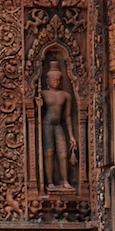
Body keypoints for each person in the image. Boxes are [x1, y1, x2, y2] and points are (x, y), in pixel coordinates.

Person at [36, 61, 77, 191]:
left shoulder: (65, 95)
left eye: (58, 80)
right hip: (47, 125)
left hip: (58, 125)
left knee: (63, 153)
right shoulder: (43, 94)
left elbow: (68, 117)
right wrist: (38, 105)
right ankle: (50, 182)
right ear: (47, 81)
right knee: (49, 153)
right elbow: (37, 113)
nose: (56, 82)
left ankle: (65, 180)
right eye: (53, 80)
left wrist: (71, 136)